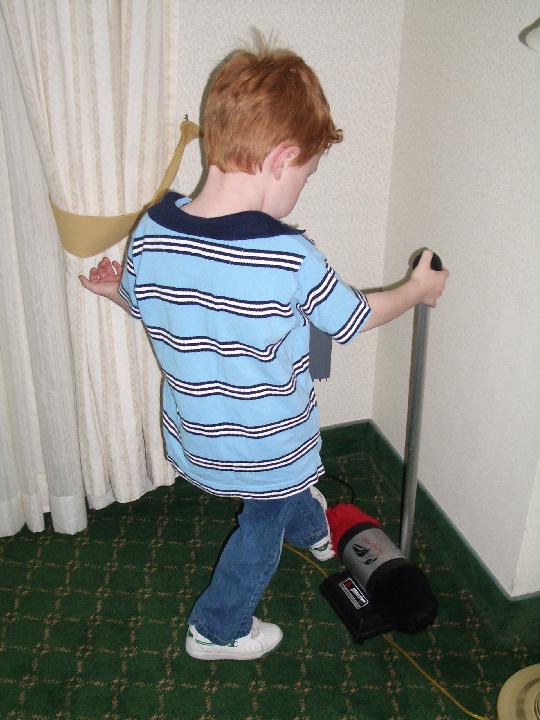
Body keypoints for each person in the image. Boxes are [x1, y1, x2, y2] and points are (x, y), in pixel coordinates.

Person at [80, 35, 448, 661]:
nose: (299, 189)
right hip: (266, 440)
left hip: (199, 433)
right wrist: (416, 290)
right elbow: (355, 318)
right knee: (262, 522)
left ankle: (316, 530)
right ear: (281, 160)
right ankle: (217, 629)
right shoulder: (288, 257)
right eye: (305, 175)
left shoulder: (153, 230)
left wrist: (115, 289)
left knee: (285, 488)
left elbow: (144, 305)